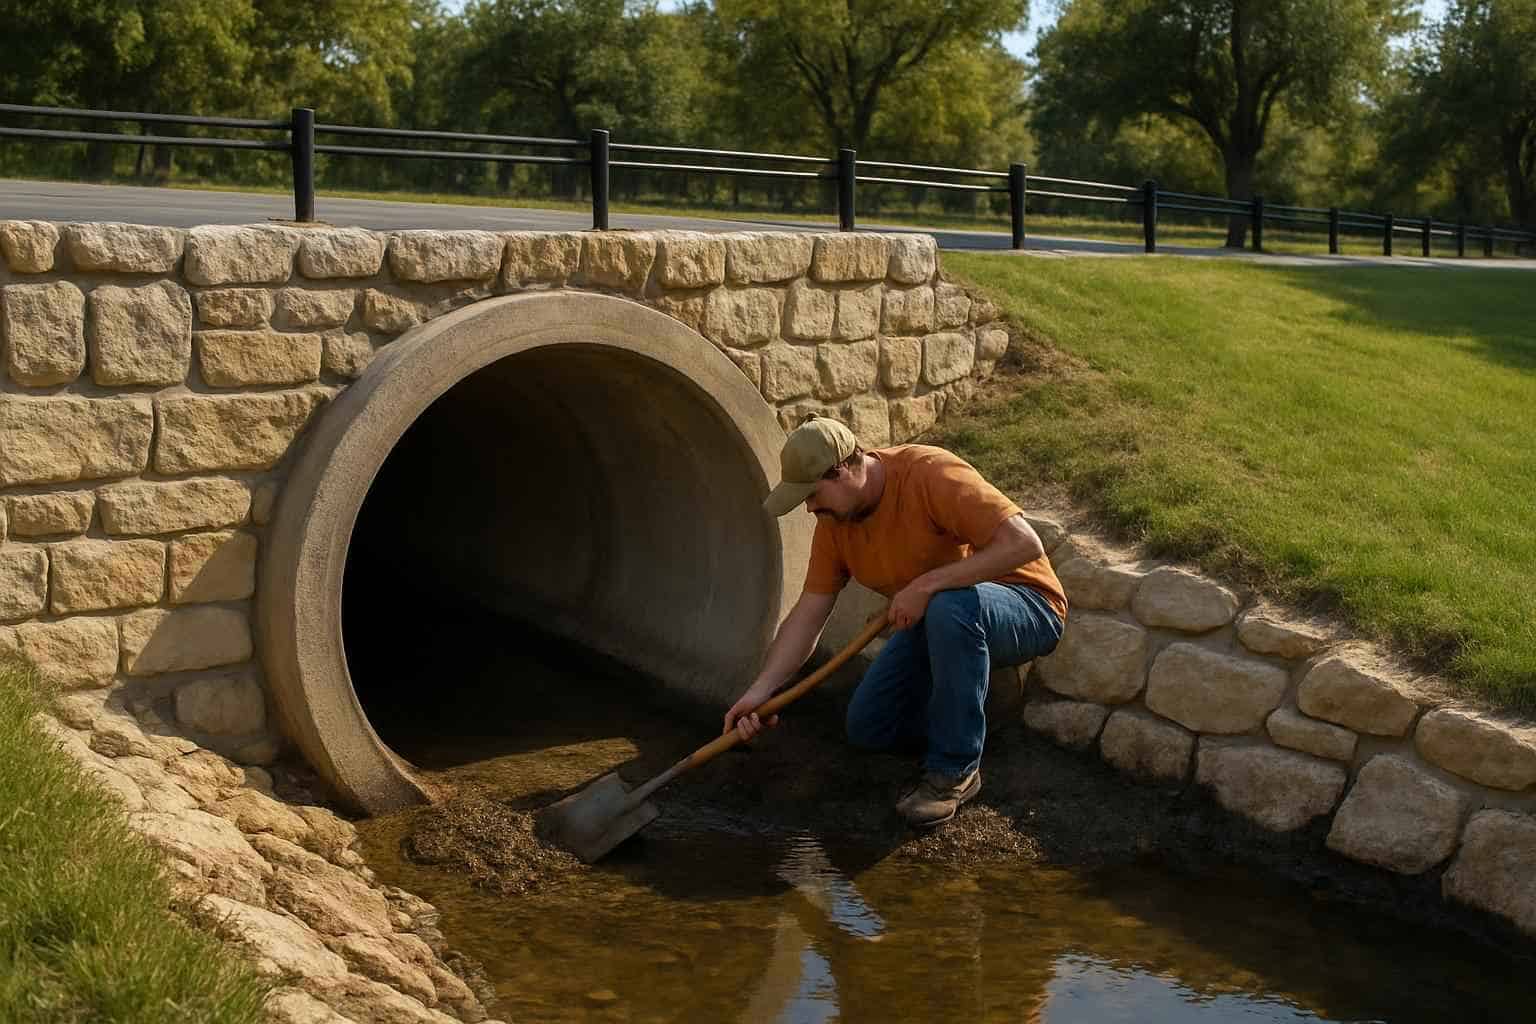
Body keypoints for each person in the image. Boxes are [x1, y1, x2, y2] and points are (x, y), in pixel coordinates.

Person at [724, 416, 1067, 829]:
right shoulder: (835, 524)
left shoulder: (928, 472)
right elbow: (808, 613)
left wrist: (925, 586)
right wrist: (761, 691)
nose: (811, 508)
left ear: (843, 469)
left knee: (948, 606)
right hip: (942, 622)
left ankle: (954, 771)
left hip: (1026, 606)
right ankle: (982, 703)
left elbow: (1024, 543)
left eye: (813, 495)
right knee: (869, 727)